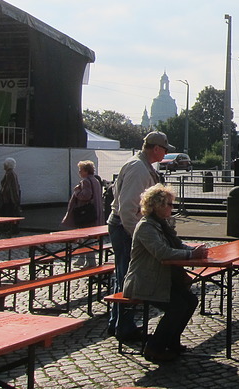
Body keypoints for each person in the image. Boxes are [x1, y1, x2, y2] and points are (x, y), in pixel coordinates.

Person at [123, 184, 207, 363]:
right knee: (177, 306)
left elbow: (176, 245)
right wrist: (191, 254)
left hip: (161, 279)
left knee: (190, 300)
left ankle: (170, 341)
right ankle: (154, 347)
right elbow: (162, 252)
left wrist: (194, 249)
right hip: (145, 281)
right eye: (169, 204)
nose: (172, 207)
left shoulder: (161, 225)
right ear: (157, 205)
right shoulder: (146, 227)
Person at [107, 131, 173, 341]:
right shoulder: (138, 169)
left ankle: (118, 323)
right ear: (155, 148)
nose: (165, 153)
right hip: (126, 226)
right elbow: (127, 209)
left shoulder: (142, 166)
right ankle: (123, 326)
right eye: (164, 149)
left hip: (126, 225)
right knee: (129, 276)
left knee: (125, 274)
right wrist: (138, 236)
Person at [61, 160, 104, 267]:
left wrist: (76, 191)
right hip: (95, 213)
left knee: (86, 240)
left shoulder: (86, 181)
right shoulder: (96, 180)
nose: (79, 173)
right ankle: (82, 259)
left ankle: (91, 262)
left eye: (80, 170)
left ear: (85, 171)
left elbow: (86, 196)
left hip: (86, 214)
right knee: (85, 239)